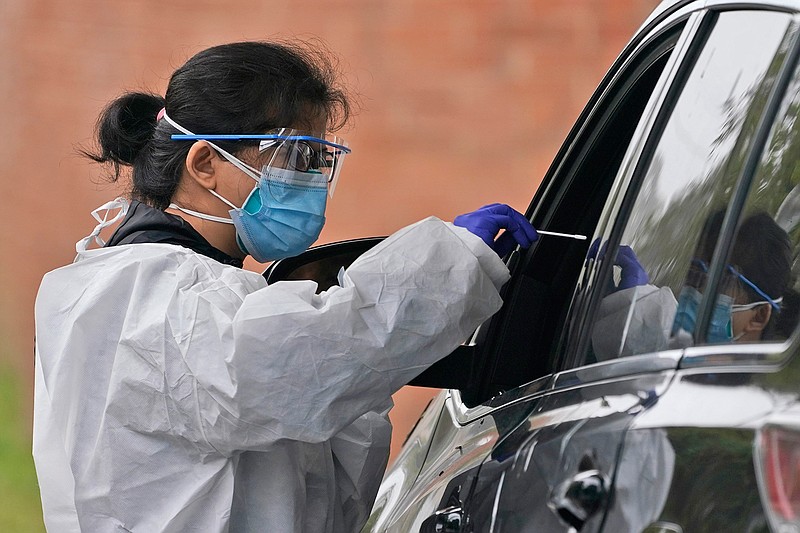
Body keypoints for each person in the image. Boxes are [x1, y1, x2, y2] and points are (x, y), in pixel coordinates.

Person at [32, 41, 538, 532]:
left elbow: (318, 452)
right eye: (294, 155)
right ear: (204, 163)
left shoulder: (126, 283)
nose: (311, 179)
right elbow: (304, 367)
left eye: (321, 159)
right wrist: (452, 263)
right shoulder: (159, 295)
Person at [591, 210, 793, 360]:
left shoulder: (735, 401)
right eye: (695, 274)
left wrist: (635, 317)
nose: (694, 293)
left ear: (759, 316)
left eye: (717, 282)